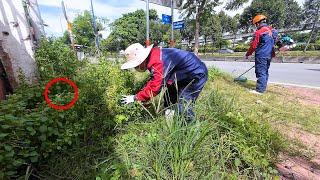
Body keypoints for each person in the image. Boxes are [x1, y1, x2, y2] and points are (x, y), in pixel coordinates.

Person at [120, 43, 208, 122]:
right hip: (180, 75)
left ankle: (188, 130)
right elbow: (154, 80)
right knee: (168, 98)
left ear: (141, 60)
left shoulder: (157, 61)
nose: (136, 68)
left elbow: (155, 87)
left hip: (195, 74)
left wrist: (136, 97)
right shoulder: (153, 56)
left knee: (184, 104)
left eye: (136, 65)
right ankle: (169, 123)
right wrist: (142, 95)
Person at [246, 14, 278, 95]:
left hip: (261, 55)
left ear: (257, 23)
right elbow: (277, 40)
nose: (255, 26)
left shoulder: (259, 32)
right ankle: (263, 87)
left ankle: (259, 90)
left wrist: (248, 54)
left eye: (255, 24)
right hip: (269, 55)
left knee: (261, 72)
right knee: (265, 71)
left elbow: (253, 46)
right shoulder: (272, 30)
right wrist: (281, 46)